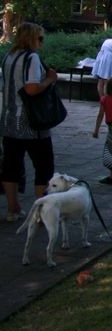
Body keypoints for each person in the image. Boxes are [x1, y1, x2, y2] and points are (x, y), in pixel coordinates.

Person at [0, 22, 57, 221]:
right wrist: (49, 79)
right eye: (40, 38)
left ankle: (12, 209)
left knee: (11, 166)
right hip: (32, 123)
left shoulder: (9, 56)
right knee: (44, 166)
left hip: (9, 120)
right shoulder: (31, 58)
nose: (42, 42)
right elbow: (31, 89)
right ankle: (40, 213)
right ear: (31, 38)